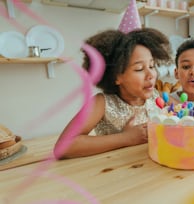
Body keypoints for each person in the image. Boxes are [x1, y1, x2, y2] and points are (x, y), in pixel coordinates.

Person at [54, 28, 173, 159]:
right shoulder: (102, 103)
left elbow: (188, 114)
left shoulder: (157, 97)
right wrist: (125, 138)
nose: (151, 75)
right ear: (116, 76)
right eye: (139, 68)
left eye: (151, 66)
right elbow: (63, 147)